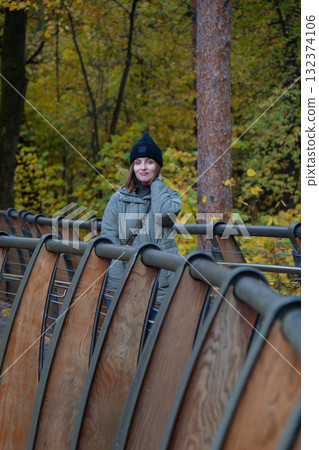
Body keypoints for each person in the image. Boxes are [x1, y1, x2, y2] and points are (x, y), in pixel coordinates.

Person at [101, 132, 182, 305]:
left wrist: (157, 185)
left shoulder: (171, 196)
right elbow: (110, 242)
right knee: (122, 331)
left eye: (149, 162)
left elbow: (164, 216)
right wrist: (117, 288)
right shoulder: (118, 199)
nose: (143, 167)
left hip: (162, 283)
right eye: (138, 162)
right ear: (132, 167)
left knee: (158, 331)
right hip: (127, 279)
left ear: (158, 166)